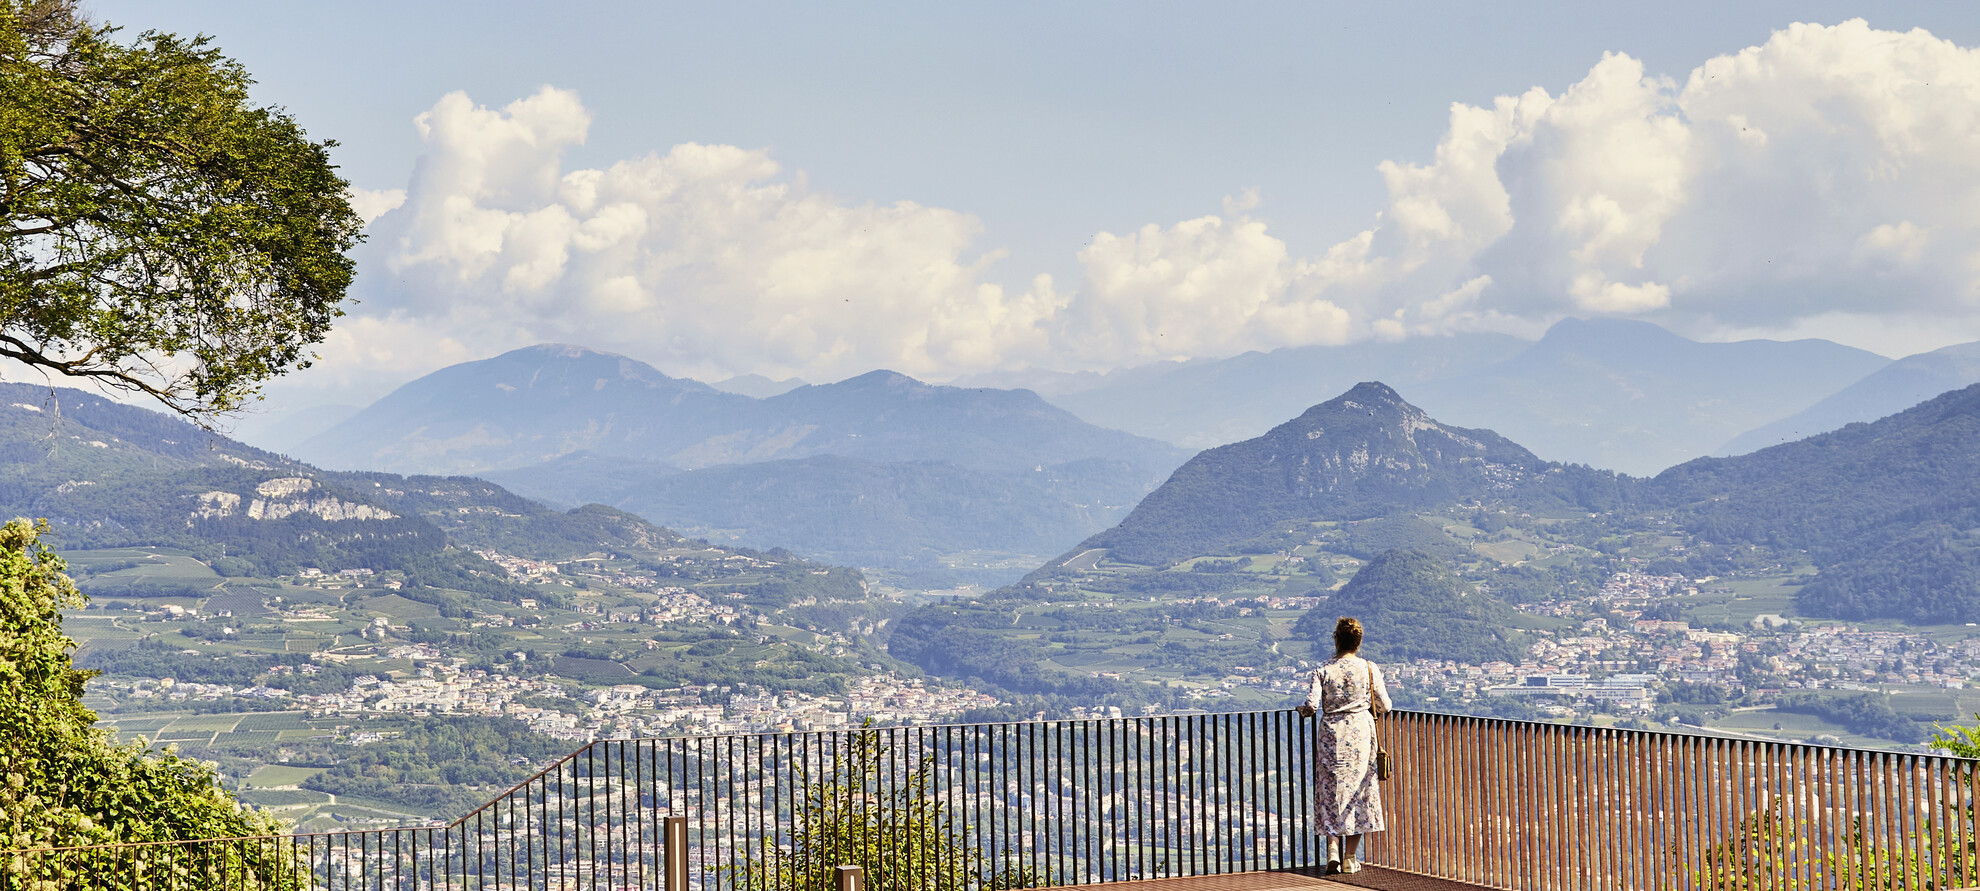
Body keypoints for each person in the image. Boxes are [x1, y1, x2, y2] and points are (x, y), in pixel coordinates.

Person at [1297, 616, 1392, 875]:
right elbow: (1385, 705)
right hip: (1361, 735)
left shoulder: (1323, 670)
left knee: (1330, 792)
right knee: (1359, 794)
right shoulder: (1369, 669)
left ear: (1336, 640)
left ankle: (1332, 851)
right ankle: (1350, 858)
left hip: (1331, 737)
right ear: (1358, 642)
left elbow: (1311, 706)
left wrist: (1301, 711)